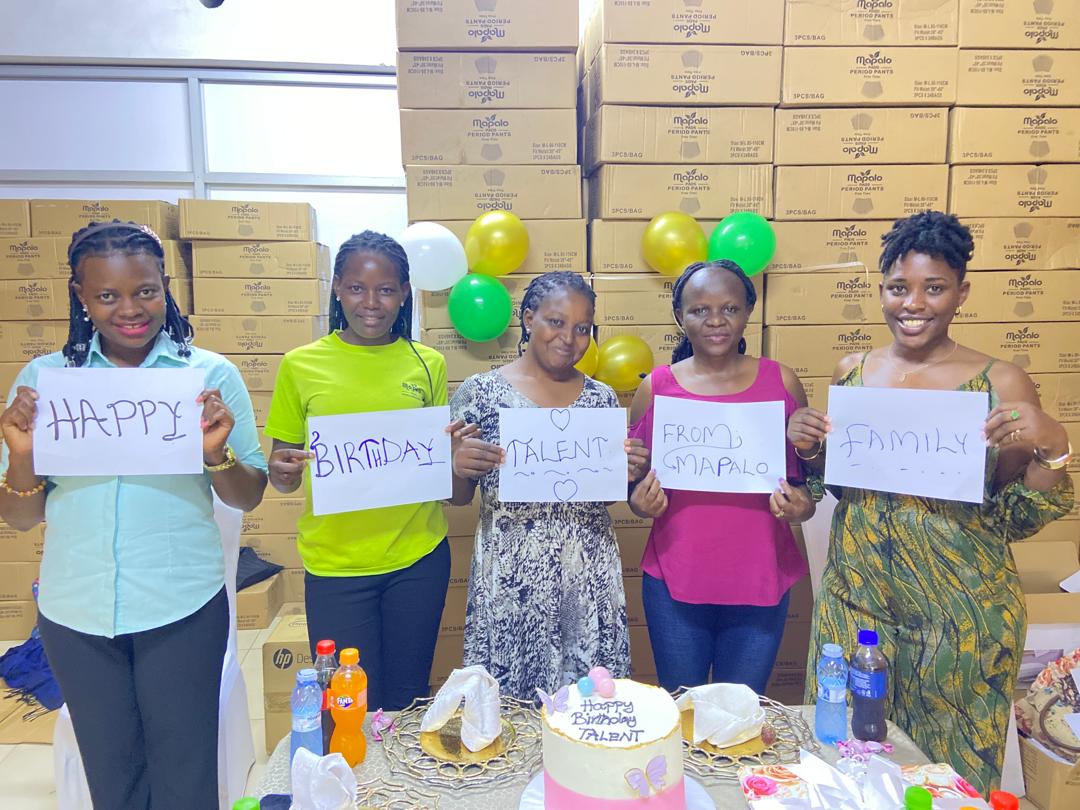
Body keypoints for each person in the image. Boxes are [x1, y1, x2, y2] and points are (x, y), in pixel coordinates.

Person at [790, 211, 1074, 793]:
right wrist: (812, 449)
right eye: (899, 287)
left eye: (934, 288)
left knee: (947, 781)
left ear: (961, 293)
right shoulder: (853, 372)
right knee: (846, 764)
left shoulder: (1000, 382)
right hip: (857, 605)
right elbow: (847, 488)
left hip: (960, 621)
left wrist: (1055, 449)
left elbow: (1014, 516)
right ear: (881, 291)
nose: (913, 304)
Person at [0, 220, 267, 810]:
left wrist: (215, 453)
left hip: (182, 607)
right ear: (80, 296)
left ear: (165, 285)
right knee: (112, 779)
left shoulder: (208, 377)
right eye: (107, 295)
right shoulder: (46, 382)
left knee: (185, 776)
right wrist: (21, 456)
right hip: (76, 612)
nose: (129, 310)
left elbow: (248, 495)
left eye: (145, 290)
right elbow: (19, 517)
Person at [265, 230, 459, 711]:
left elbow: (437, 467)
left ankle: (403, 765)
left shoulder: (428, 364)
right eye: (356, 288)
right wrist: (283, 471)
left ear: (405, 293)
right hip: (336, 566)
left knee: (408, 699)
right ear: (336, 288)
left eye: (386, 290)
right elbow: (282, 467)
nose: (371, 303)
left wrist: (452, 456)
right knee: (350, 705)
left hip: (417, 560)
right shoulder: (300, 365)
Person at [449, 271, 648, 699]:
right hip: (511, 576)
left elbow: (603, 497)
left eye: (582, 328)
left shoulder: (601, 398)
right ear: (528, 319)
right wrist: (457, 466)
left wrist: (625, 471)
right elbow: (458, 496)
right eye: (556, 322)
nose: (568, 338)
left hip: (587, 572)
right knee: (512, 706)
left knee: (588, 705)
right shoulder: (480, 393)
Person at [626, 259, 813, 695]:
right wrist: (639, 502)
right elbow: (634, 482)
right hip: (675, 581)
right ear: (680, 316)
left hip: (760, 578)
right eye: (700, 310)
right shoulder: (656, 388)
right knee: (682, 707)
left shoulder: (782, 382)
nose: (715, 320)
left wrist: (802, 506)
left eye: (729, 308)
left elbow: (804, 482)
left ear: (748, 312)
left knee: (740, 714)